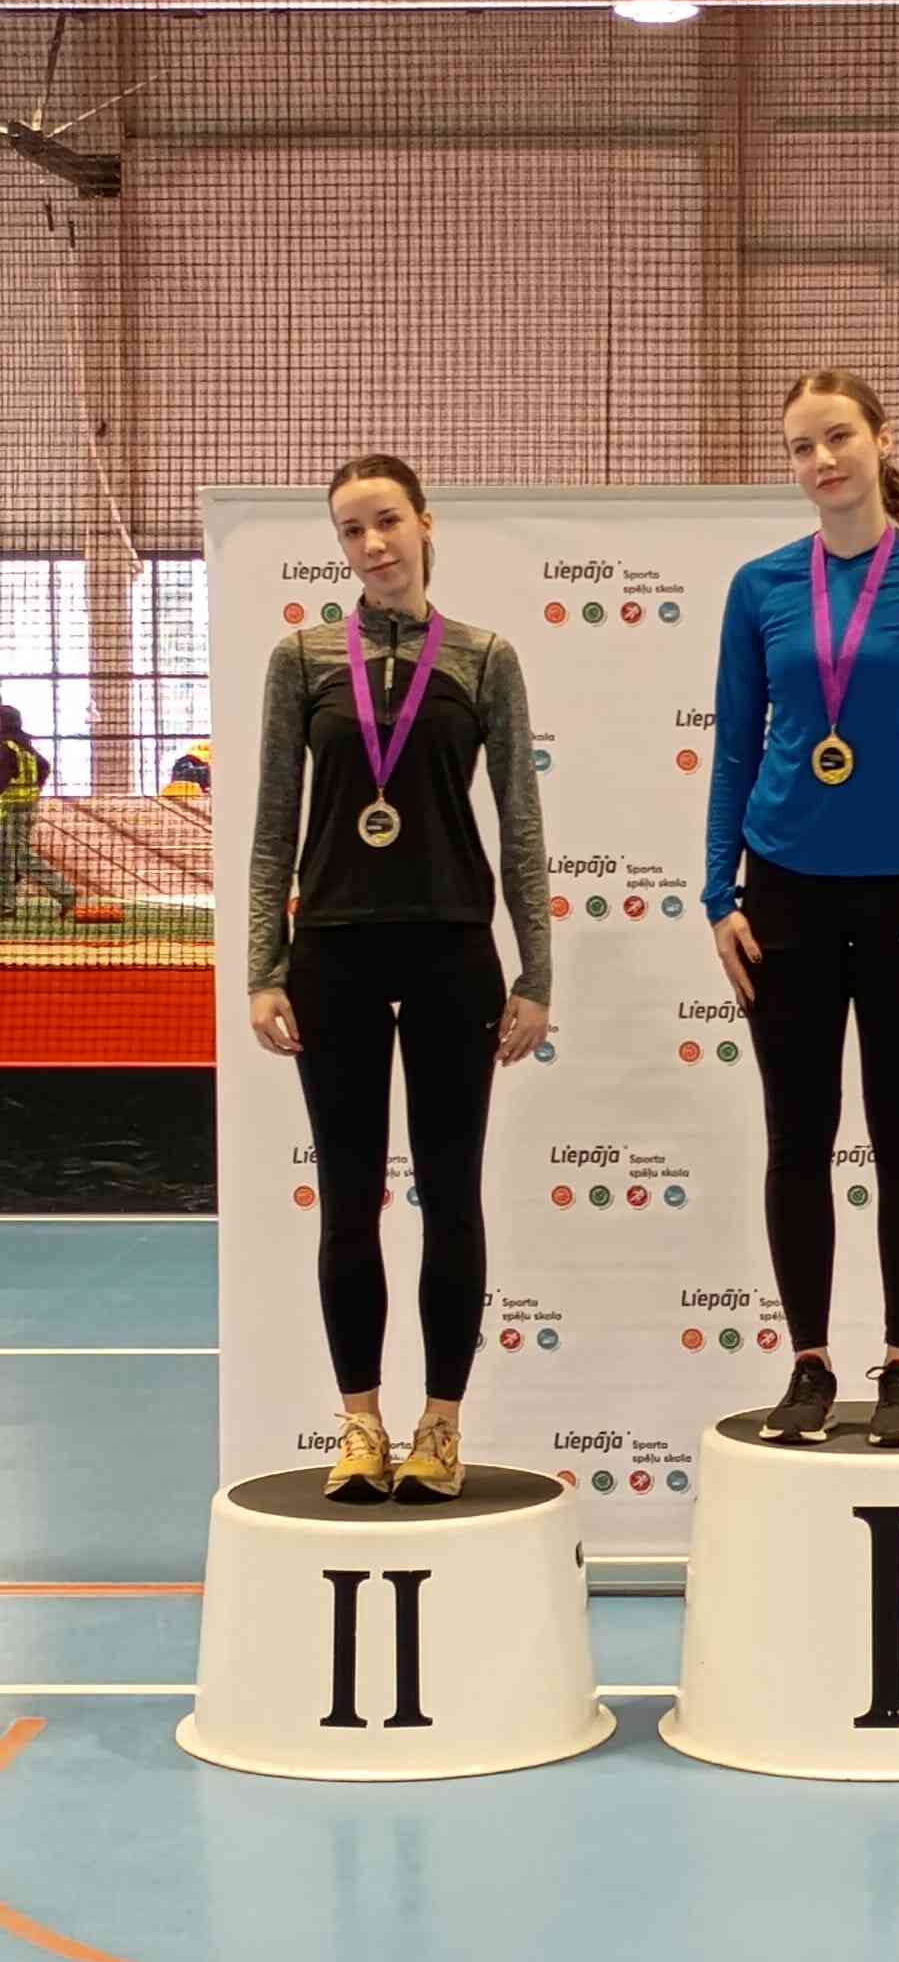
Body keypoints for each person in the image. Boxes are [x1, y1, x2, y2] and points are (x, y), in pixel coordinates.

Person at [704, 370, 899, 1448]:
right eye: (801, 446)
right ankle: (810, 1363)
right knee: (797, 1138)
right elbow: (736, 746)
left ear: (883, 440)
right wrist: (716, 894)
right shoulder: (761, 587)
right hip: (781, 891)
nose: (821, 461)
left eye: (837, 437)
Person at [248, 455, 550, 1503]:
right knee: (347, 1200)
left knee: (451, 1194)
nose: (372, 545)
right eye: (351, 530)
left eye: (386, 522)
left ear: (426, 524)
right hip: (331, 953)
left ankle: (440, 1427)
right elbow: (272, 826)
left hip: (452, 953)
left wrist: (536, 974)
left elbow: (520, 826)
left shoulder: (483, 657)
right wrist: (263, 968)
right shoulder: (301, 658)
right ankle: (361, 1425)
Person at [0, 705, 76, 921]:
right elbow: (44, 766)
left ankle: (65, 893)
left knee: (17, 856)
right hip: (26, 808)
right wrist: (35, 788)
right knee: (7, 857)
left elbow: (2, 777)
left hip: (11, 809)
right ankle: (5, 905)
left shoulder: (5, 746)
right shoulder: (23, 745)